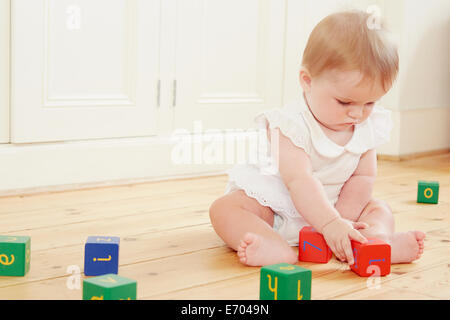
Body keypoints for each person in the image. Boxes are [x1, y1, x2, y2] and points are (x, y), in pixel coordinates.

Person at [209, 10, 425, 267]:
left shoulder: (369, 125)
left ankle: (376, 244)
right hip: (281, 208)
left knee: (379, 209)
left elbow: (363, 177)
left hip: (338, 208)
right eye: (345, 101)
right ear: (307, 81)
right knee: (225, 209)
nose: (357, 113)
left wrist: (341, 222)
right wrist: (329, 223)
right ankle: (275, 247)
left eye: (370, 102)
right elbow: (299, 180)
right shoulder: (288, 126)